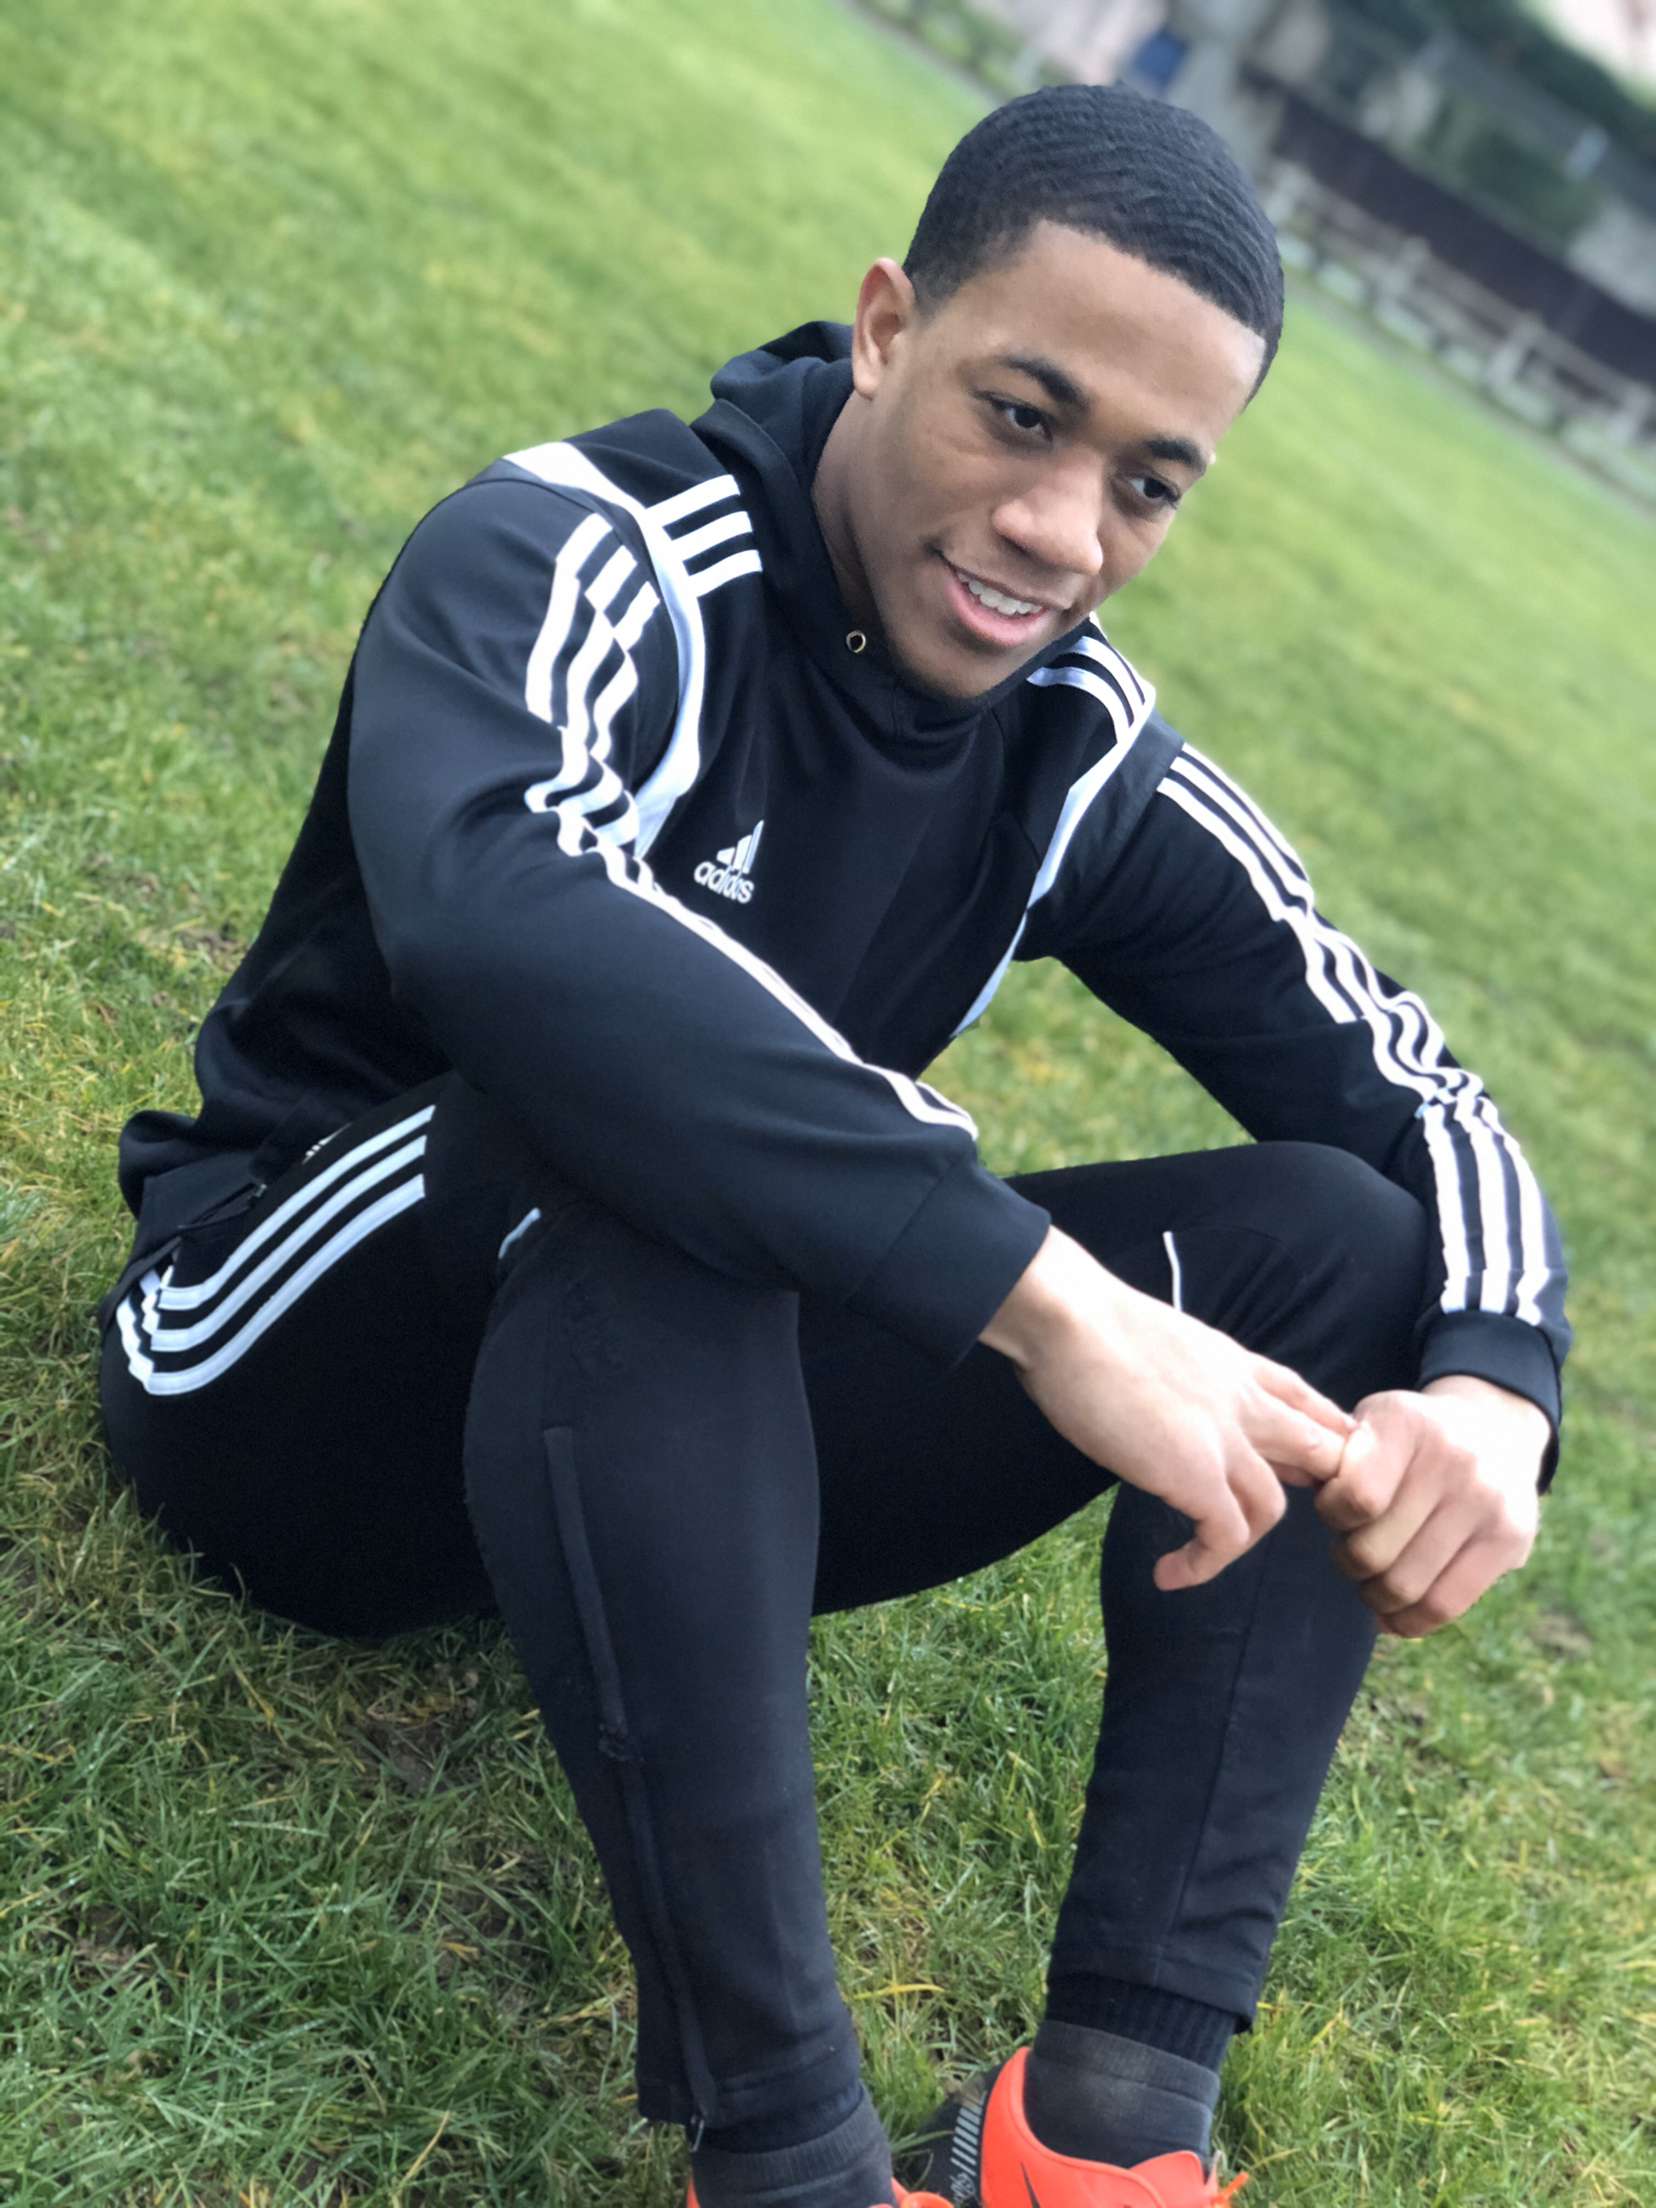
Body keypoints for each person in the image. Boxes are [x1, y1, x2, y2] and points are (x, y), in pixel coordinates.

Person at [97, 82, 1567, 2208]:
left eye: (1146, 484)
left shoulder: (1066, 747)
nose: (1061, 528)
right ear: (886, 328)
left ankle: (1100, 2132)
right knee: (643, 1134)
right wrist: (1044, 1303)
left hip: (639, 1456)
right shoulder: (586, 547)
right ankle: (787, 2166)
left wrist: (1497, 1385)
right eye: (1022, 416)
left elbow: (1409, 1087)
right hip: (286, 1378)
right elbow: (502, 916)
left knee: (1340, 1243)